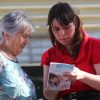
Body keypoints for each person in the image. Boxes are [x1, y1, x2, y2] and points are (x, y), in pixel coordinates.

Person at [41, 2, 100, 100]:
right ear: (51, 28)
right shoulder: (49, 55)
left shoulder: (94, 45)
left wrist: (83, 76)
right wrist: (59, 82)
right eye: (56, 29)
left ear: (76, 23)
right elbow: (49, 96)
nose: (62, 33)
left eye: (66, 27)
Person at [0, 11, 36, 100]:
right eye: (23, 36)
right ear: (6, 35)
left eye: (28, 36)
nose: (27, 42)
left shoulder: (12, 60)